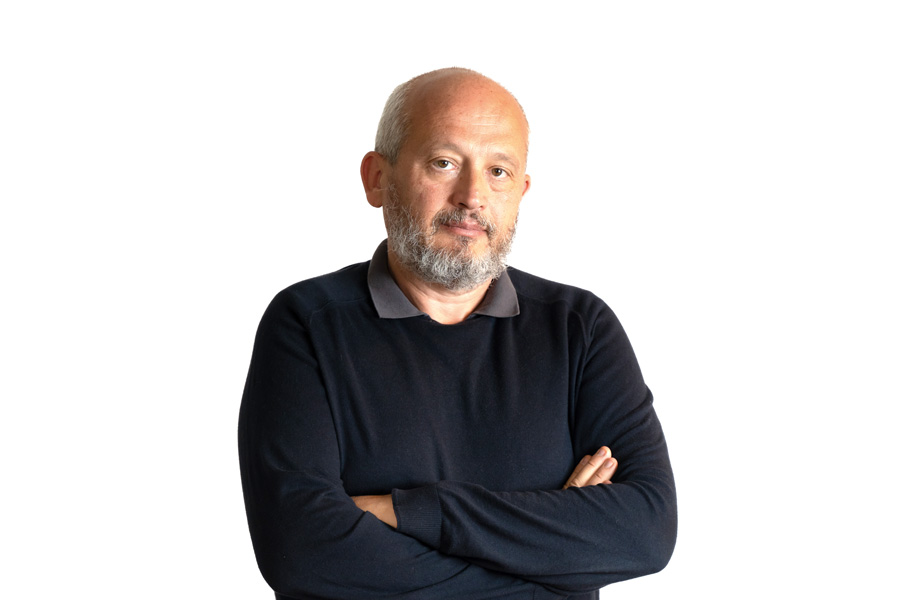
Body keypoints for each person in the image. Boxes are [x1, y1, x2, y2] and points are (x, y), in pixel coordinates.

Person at [238, 67, 676, 600]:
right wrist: (551, 560)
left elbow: (645, 533)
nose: (472, 196)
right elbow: (302, 554)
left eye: (498, 171)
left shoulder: (580, 328)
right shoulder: (306, 324)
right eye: (443, 163)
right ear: (377, 178)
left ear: (521, 191)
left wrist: (411, 512)